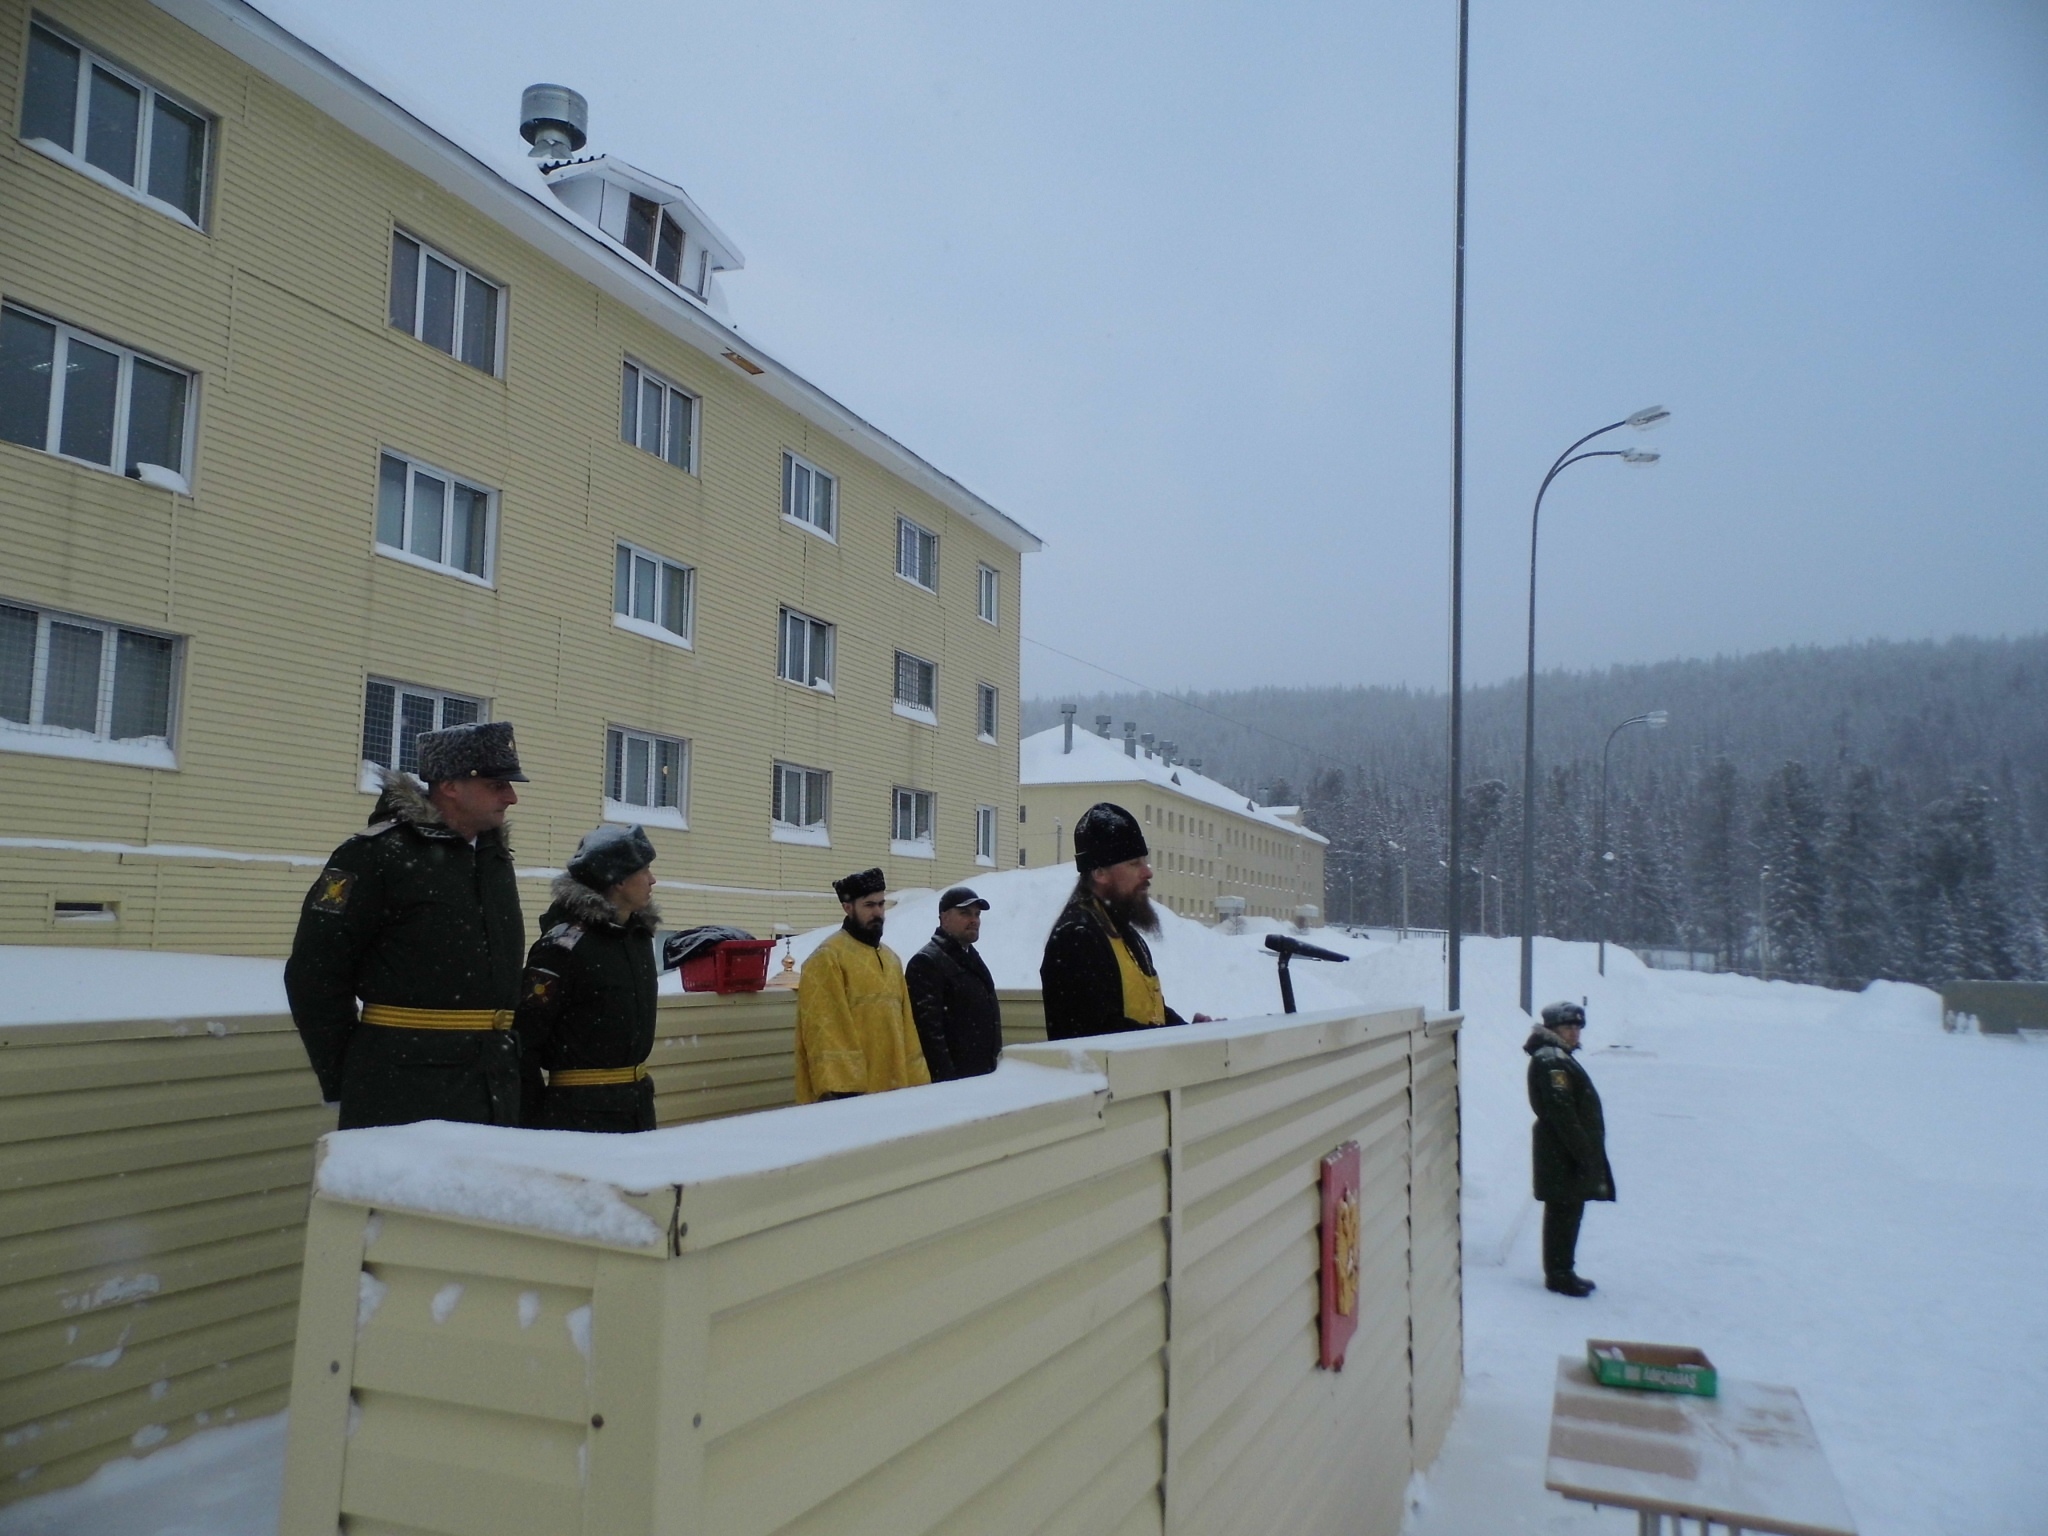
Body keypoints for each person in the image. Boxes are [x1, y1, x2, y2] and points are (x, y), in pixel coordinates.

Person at [285, 721, 528, 1130]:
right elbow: (316, 973)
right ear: (450, 785)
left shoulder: (493, 860)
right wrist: (354, 1076)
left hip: (491, 1088)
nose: (512, 797)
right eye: (497, 784)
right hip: (404, 1091)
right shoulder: (376, 855)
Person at [515, 826, 661, 1132]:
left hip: (636, 1108)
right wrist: (532, 1118)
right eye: (645, 870)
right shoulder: (564, 946)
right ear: (618, 880)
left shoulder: (637, 938)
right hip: (579, 1115)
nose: (652, 880)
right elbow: (525, 1038)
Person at [1041, 802, 1211, 1040]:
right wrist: (1175, 1039)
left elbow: (1151, 1013)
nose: (1148, 872)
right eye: (1134, 863)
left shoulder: (1122, 932)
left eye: (1144, 860)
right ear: (1099, 872)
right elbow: (1100, 1033)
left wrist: (1188, 1033)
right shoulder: (1076, 936)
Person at [794, 868, 931, 1103]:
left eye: (881, 904)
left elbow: (907, 1027)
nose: (878, 912)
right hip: (852, 1097)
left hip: (894, 1091)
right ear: (848, 908)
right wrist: (841, 1092)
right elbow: (825, 1029)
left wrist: (917, 1082)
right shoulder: (827, 958)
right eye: (869, 905)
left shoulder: (891, 959)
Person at [1525, 1000, 1615, 1297]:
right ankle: (1559, 1274)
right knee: (1563, 1211)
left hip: (1563, 1150)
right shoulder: (1552, 1061)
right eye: (1568, 1027)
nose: (1574, 1033)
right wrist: (1584, 1153)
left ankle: (1563, 1270)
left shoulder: (1558, 1056)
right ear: (1552, 1029)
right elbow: (1562, 1114)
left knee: (1568, 1209)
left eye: (1577, 1027)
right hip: (1562, 1151)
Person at [906, 887, 1003, 1080]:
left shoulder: (970, 957)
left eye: (977, 914)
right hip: (955, 1086)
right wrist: (947, 1084)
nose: (974, 920)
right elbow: (929, 1035)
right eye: (965, 913)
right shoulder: (927, 963)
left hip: (981, 1077)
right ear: (944, 918)